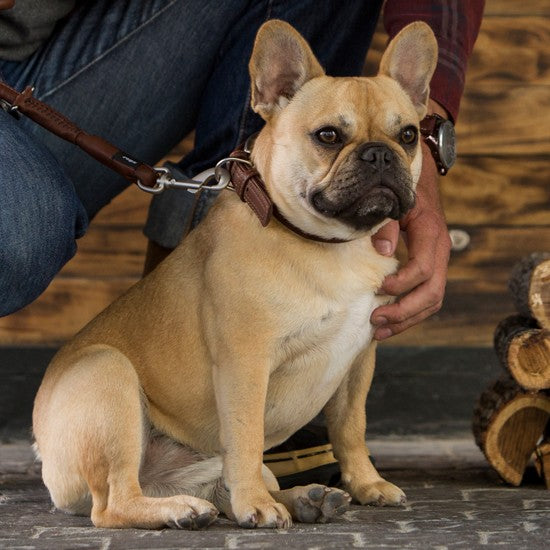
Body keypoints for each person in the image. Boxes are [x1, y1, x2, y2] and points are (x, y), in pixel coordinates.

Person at [0, 0, 484, 482]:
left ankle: (231, 449)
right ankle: (218, 443)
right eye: (331, 137)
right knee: (22, 231)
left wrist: (430, 131)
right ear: (274, 91)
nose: (376, 160)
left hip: (42, 48)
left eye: (401, 138)